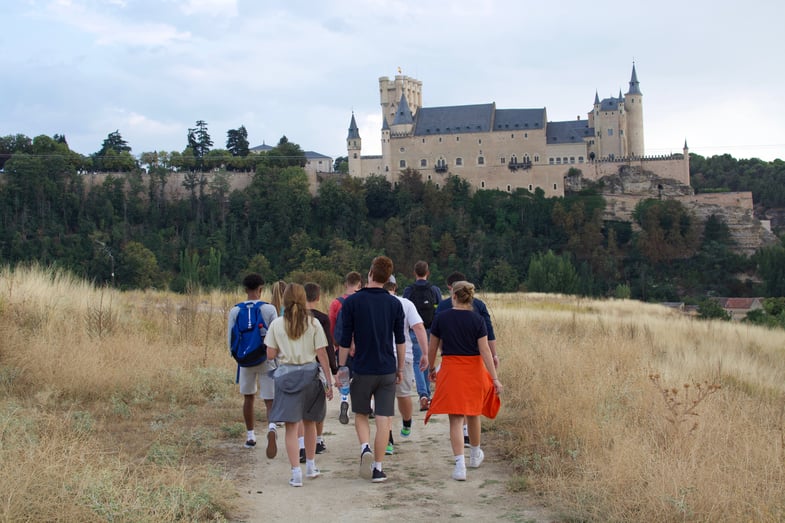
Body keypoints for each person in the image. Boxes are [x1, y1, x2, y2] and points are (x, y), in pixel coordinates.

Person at [336, 256, 405, 483]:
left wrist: (341, 368)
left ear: (370, 274)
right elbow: (400, 340)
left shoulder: (353, 303)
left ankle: (365, 447)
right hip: (386, 368)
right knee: (384, 419)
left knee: (362, 414)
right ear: (387, 279)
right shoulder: (395, 304)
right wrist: (400, 368)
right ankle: (377, 467)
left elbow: (345, 340)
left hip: (362, 368)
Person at [426, 280, 502, 481]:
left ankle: (460, 466)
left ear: (453, 296)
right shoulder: (477, 320)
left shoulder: (441, 318)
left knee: (456, 418)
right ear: (470, 297)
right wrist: (494, 378)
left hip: (452, 369)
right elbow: (485, 350)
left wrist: (432, 368)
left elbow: (432, 347)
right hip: (474, 370)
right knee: (473, 414)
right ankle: (475, 455)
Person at [265, 283, 334, 487]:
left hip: (286, 378)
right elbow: (322, 354)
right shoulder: (313, 323)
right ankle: (311, 466)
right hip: (310, 376)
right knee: (311, 423)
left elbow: (270, 354)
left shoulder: (277, 324)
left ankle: (295, 473)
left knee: (291, 427)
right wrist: (328, 382)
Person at [435, 271, 500, 446]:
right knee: (473, 411)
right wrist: (494, 359)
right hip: (474, 365)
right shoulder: (479, 310)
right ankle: (474, 451)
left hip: (451, 363)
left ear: (453, 292)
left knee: (455, 413)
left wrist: (438, 361)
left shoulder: (442, 310)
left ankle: (459, 462)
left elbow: (437, 341)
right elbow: (487, 341)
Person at [227, 273, 279, 457]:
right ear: (261, 289)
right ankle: (272, 428)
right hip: (266, 358)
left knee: (248, 398)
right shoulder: (269, 309)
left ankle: (250, 436)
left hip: (245, 360)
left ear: (245, 289)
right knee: (270, 400)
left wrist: (240, 357)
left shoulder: (235, 311)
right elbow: (276, 335)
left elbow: (230, 341)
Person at [383, 275, 429, 455]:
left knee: (383, 399)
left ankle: (388, 440)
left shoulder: (373, 303)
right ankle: (407, 421)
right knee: (403, 395)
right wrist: (425, 353)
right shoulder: (406, 304)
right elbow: (418, 327)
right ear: (395, 286)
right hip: (405, 356)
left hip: (381, 357)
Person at [402, 260, 442, 412]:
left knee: (418, 362)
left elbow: (403, 311)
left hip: (414, 331)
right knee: (429, 360)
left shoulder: (408, 290)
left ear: (414, 273)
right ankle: (427, 394)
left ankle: (423, 395)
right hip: (431, 331)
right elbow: (440, 310)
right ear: (428, 272)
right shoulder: (435, 290)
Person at [304, 281, 338, 455]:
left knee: (301, 407)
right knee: (319, 404)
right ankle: (318, 440)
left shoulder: (295, 316)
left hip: (301, 365)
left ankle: (302, 443)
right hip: (318, 366)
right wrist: (333, 370)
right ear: (318, 297)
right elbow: (327, 347)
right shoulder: (322, 318)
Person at [329, 271, 363, 424]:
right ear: (359, 284)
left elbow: (332, 325)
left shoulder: (336, 303)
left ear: (345, 284)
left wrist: (334, 343)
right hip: (361, 346)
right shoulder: (362, 300)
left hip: (342, 344)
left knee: (344, 373)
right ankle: (365, 404)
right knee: (360, 376)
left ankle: (344, 399)